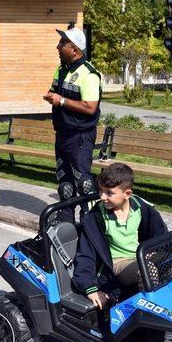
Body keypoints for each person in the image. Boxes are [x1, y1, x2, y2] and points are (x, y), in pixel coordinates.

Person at [72, 163, 168, 310]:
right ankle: (151, 314)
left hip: (141, 255)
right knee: (147, 270)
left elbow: (160, 234)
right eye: (100, 191)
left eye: (109, 193)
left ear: (127, 194)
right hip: (118, 264)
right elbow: (85, 254)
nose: (102, 197)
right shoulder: (95, 218)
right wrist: (90, 288)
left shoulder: (141, 207)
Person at [43, 27, 102, 219]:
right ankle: (66, 220)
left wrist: (61, 101)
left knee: (83, 182)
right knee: (65, 183)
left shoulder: (89, 74)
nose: (57, 47)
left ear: (74, 49)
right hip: (62, 134)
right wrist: (52, 97)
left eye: (62, 44)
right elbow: (55, 93)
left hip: (80, 137)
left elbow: (90, 108)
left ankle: (90, 221)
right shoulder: (60, 70)